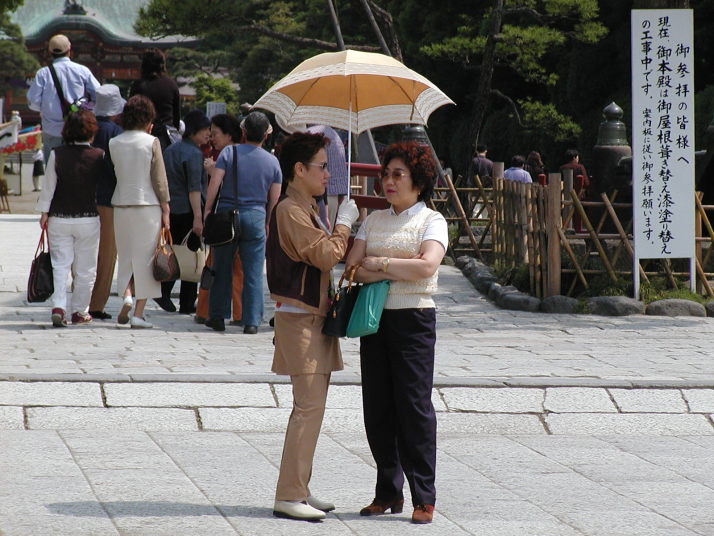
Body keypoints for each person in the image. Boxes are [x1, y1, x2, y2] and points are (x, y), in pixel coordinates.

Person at [345, 141, 448, 525]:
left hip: (414, 321)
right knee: (378, 409)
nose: (389, 181)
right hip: (374, 321)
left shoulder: (432, 221)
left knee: (414, 409)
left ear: (417, 180)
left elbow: (427, 267)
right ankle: (388, 491)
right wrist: (397, 265)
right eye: (386, 174)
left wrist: (381, 262)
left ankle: (424, 496)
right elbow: (352, 269)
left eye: (398, 174)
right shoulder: (373, 221)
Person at [266, 131, 360, 521]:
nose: (327, 173)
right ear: (299, 170)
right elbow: (324, 255)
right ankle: (288, 494)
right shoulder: (290, 210)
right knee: (306, 408)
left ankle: (300, 487)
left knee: (314, 407)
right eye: (322, 166)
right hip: (299, 319)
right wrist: (344, 224)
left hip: (313, 317)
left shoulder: (306, 207)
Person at [203, 111, 282, 333]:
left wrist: (207, 210)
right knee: (253, 272)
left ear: (244, 132)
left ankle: (217, 316)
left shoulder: (230, 152)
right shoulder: (273, 162)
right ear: (266, 135)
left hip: (227, 215)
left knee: (222, 268)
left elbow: (215, 183)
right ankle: (251, 321)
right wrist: (267, 221)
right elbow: (274, 198)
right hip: (256, 216)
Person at [35, 109, 104, 327]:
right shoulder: (99, 156)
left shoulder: (57, 154)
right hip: (88, 218)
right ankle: (80, 311)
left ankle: (59, 306)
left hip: (59, 217)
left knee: (60, 265)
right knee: (86, 269)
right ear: (92, 131)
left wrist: (44, 213)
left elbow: (48, 188)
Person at [109, 95, 170, 329]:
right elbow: (159, 180)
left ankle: (126, 295)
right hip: (148, 206)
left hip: (121, 205)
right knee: (145, 260)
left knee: (125, 257)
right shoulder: (151, 141)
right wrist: (166, 208)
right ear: (148, 120)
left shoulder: (114, 143)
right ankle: (138, 314)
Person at [157, 110, 211, 314]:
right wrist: (198, 217)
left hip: (171, 209)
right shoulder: (194, 153)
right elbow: (194, 189)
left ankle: (164, 290)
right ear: (195, 130)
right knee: (191, 255)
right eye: (205, 130)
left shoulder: (171, 149)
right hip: (188, 211)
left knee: (173, 253)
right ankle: (185, 301)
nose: (208, 134)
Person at [195, 114, 244, 325]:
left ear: (229, 135)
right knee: (237, 268)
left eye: (215, 134)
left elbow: (222, 185)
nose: (211, 138)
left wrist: (212, 171)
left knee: (216, 266)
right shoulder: (244, 152)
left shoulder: (227, 154)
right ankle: (239, 313)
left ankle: (207, 311)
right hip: (242, 216)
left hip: (224, 217)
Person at [27, 34, 100, 165]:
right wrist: (88, 108)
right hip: (78, 128)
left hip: (51, 129)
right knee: (76, 167)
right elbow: (99, 94)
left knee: (52, 168)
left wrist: (46, 108)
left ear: (50, 52)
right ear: (69, 50)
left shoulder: (43, 73)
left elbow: (32, 102)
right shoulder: (82, 70)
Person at [88, 84, 125, 321]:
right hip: (110, 198)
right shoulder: (116, 132)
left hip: (86, 198)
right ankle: (96, 304)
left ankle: (82, 298)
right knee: (107, 253)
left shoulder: (88, 128)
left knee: (86, 252)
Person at [130, 48, 180, 152]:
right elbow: (176, 118)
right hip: (167, 138)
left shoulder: (138, 86)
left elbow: (131, 114)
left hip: (143, 135)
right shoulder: (171, 85)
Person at [306, 125, 348, 227]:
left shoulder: (309, 134)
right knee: (326, 232)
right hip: (333, 195)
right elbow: (341, 170)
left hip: (314, 195)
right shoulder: (336, 137)